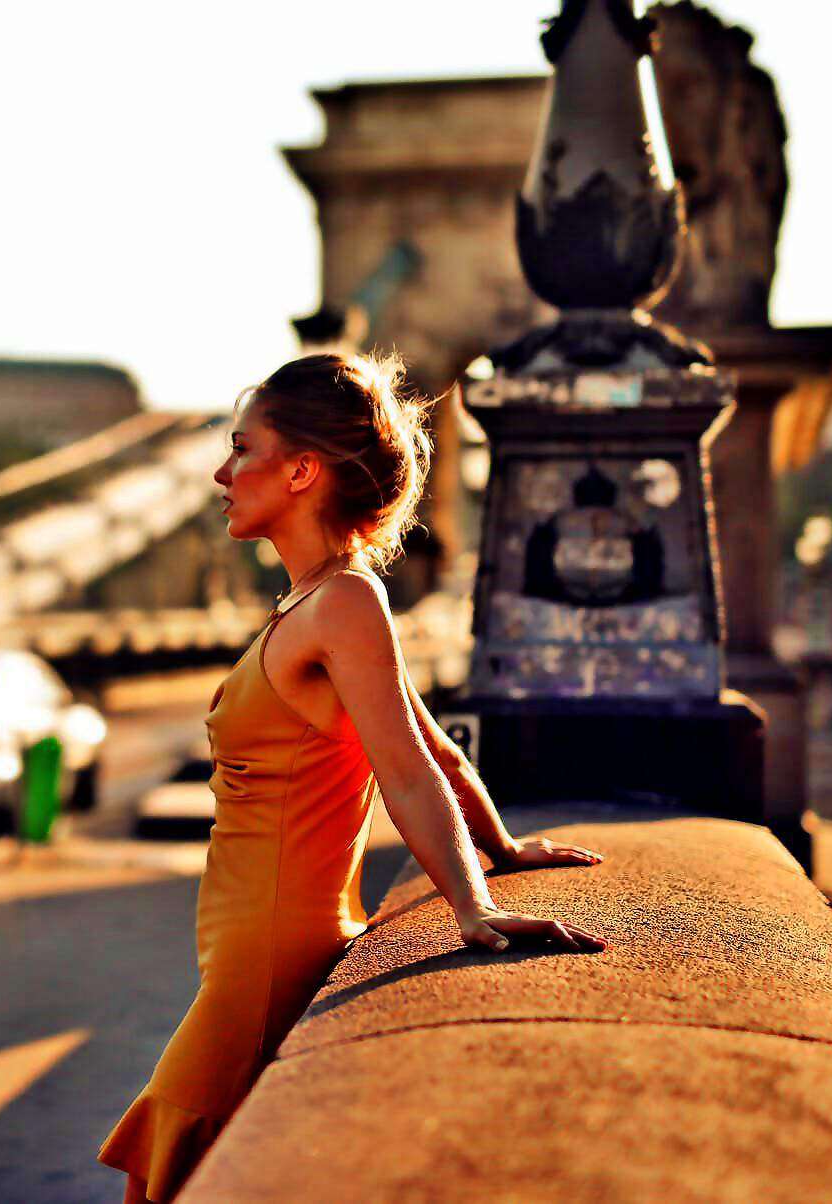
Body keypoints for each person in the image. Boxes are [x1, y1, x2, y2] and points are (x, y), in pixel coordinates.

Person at [98, 353, 608, 1204]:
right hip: (245, 943)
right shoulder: (322, 599)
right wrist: (501, 844)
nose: (221, 474)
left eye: (240, 449)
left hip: (270, 947)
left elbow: (406, 769)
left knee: (179, 1170)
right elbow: (437, 747)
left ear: (302, 470)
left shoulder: (344, 603)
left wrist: (474, 901)